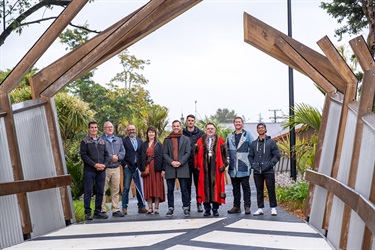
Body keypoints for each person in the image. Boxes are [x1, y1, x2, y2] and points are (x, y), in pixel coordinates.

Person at [194, 123, 227, 217]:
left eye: (212, 128)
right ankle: (207, 209)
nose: (210, 130)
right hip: (204, 169)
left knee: (216, 188)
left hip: (216, 169)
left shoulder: (220, 140)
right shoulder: (200, 140)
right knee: (204, 188)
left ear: (215, 129)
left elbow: (225, 154)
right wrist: (197, 166)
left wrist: (223, 165)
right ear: (205, 130)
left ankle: (215, 209)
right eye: (208, 128)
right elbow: (196, 154)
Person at [249, 122, 280, 216]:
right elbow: (250, 156)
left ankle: (273, 207)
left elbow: (277, 155)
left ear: (265, 129)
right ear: (257, 130)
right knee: (259, 189)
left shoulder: (271, 142)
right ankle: (260, 208)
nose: (261, 129)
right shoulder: (254, 144)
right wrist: (253, 165)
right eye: (259, 128)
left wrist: (270, 164)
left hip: (268, 170)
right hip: (257, 170)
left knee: (271, 189)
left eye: (262, 128)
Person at [80, 121, 109, 220]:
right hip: (89, 170)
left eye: (95, 127)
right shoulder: (85, 141)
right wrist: (94, 165)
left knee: (100, 191)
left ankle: (98, 212)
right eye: (92, 127)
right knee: (89, 191)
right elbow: (83, 156)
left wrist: (104, 165)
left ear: (98, 129)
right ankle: (88, 212)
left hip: (101, 170)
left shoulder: (102, 141)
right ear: (89, 129)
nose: (94, 129)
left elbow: (107, 155)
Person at [163, 120, 191, 217]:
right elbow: (165, 153)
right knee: (170, 190)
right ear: (172, 127)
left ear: (180, 127)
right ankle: (170, 208)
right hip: (170, 167)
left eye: (177, 126)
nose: (176, 128)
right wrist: (172, 162)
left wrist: (180, 162)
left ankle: (186, 208)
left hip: (182, 167)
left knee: (184, 189)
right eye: (174, 126)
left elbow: (188, 152)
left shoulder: (186, 139)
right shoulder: (167, 139)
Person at [226, 116, 253, 215]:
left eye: (239, 122)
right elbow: (226, 150)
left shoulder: (248, 135)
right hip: (233, 167)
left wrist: (250, 162)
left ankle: (247, 206)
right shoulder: (230, 136)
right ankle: (236, 206)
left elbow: (252, 148)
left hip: (244, 165)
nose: (238, 123)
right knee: (235, 188)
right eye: (236, 122)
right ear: (234, 124)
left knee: (246, 187)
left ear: (242, 123)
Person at [100, 121, 126, 217]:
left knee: (115, 190)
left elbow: (123, 151)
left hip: (116, 168)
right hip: (105, 169)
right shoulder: (100, 140)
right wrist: (111, 157)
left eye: (111, 127)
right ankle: (102, 210)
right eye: (108, 127)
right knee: (102, 189)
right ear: (104, 129)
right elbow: (100, 153)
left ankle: (115, 210)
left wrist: (118, 157)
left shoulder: (119, 140)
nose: (110, 128)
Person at [121, 124, 147, 215]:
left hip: (137, 167)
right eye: (129, 130)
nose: (131, 131)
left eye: (133, 129)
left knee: (139, 187)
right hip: (128, 167)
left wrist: (142, 166)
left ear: (135, 130)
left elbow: (142, 154)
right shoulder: (123, 141)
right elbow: (121, 153)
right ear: (127, 131)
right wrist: (124, 165)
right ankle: (124, 208)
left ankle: (141, 207)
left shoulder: (140, 141)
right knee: (126, 188)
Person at [139, 126, 165, 214]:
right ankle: (150, 208)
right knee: (148, 188)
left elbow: (163, 158)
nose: (151, 134)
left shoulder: (159, 144)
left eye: (153, 132)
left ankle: (157, 208)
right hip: (147, 169)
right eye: (149, 132)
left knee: (157, 188)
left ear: (155, 134)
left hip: (157, 169)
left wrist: (163, 169)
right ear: (147, 134)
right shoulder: (144, 145)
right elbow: (140, 157)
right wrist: (142, 167)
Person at [183, 114, 204, 212]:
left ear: (194, 122)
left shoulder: (200, 133)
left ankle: (199, 203)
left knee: (198, 184)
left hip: (197, 163)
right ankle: (187, 205)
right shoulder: (182, 133)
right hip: (186, 163)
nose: (190, 122)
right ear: (186, 122)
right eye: (189, 120)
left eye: (192, 120)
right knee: (187, 186)